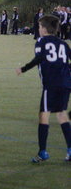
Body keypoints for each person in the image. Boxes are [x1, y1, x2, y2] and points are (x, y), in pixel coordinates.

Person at [15, 15, 71, 163]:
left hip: (51, 84)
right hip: (66, 83)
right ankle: (70, 150)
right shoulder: (63, 44)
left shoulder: (41, 41)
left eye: (40, 27)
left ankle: (42, 152)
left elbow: (39, 58)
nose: (38, 29)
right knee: (61, 114)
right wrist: (65, 69)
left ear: (45, 29)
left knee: (43, 116)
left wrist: (23, 68)